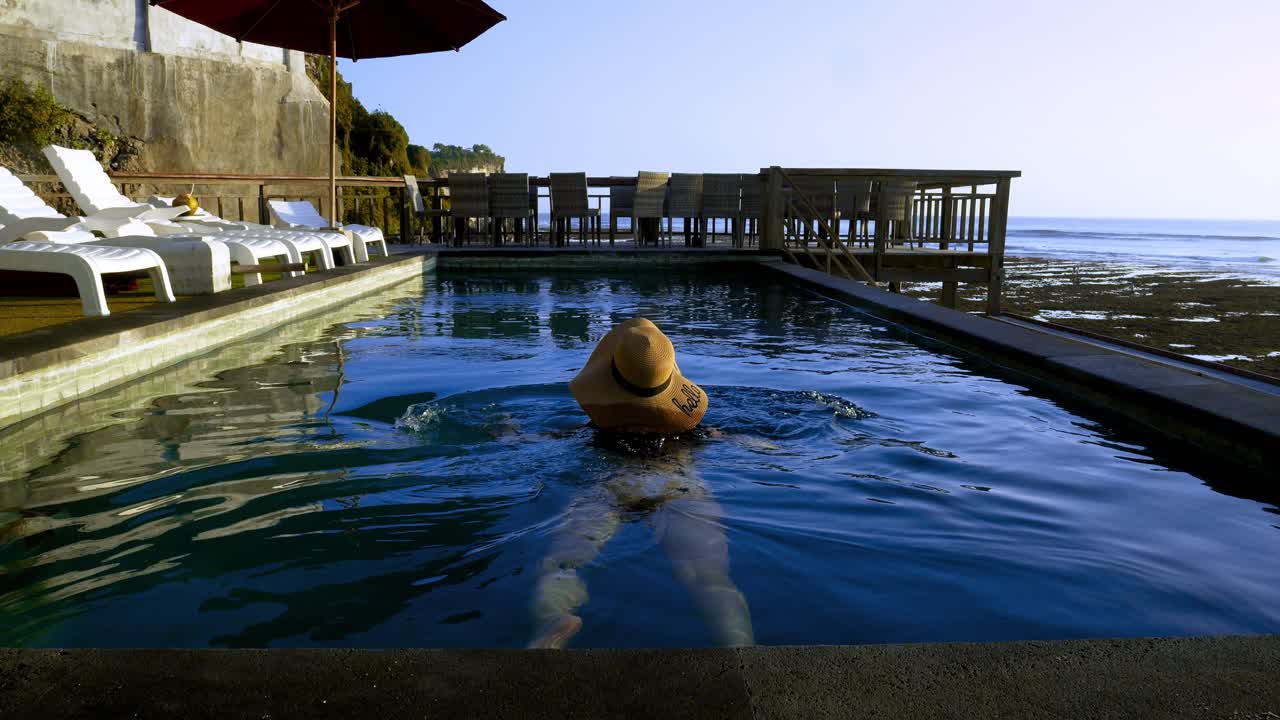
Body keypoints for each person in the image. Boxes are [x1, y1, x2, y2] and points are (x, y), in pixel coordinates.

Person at [530, 317, 754, 649]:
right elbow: (748, 443)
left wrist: (506, 431)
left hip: (611, 484)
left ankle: (554, 616)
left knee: (563, 563)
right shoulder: (697, 431)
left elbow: (539, 440)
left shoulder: (593, 429)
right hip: (678, 486)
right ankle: (738, 647)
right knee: (708, 577)